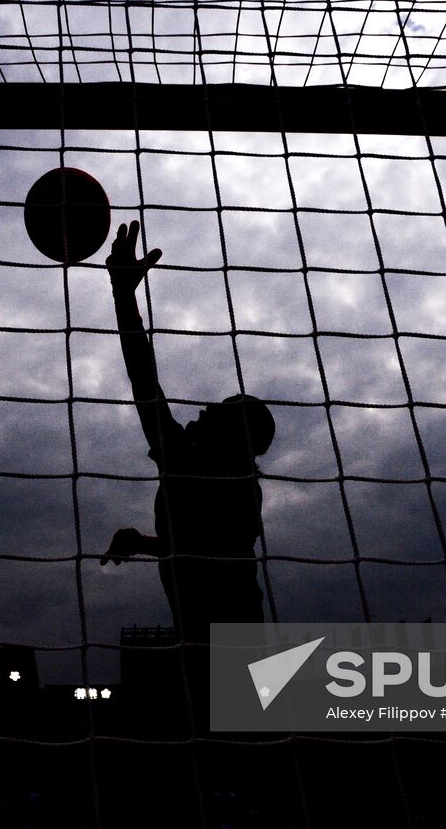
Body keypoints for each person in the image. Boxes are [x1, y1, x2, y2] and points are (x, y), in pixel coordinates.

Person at [99, 220, 275, 643]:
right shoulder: (210, 471)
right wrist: (145, 542)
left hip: (228, 642)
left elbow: (206, 553)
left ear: (235, 437)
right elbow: (198, 550)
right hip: (212, 636)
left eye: (219, 411)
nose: (204, 408)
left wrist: (124, 295)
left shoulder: (216, 476)